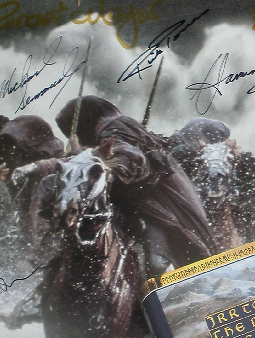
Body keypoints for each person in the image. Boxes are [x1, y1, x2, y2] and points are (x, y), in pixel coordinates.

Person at [55, 96, 216, 277]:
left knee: (157, 263)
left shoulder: (112, 132)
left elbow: (129, 158)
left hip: (152, 206)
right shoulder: (115, 128)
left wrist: (107, 170)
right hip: (135, 204)